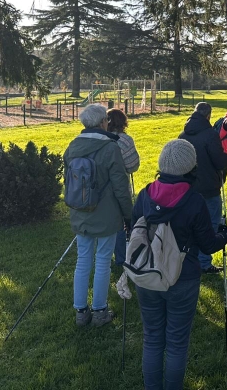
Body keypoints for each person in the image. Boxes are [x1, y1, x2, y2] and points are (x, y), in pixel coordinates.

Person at [132, 139, 227, 389]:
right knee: (176, 342)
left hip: (148, 274)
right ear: (190, 165)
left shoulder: (145, 194)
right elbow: (208, 245)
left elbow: (132, 229)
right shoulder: (194, 200)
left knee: (152, 338)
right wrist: (223, 236)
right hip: (182, 278)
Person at [63, 104, 134, 327]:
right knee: (103, 261)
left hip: (80, 212)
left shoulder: (73, 146)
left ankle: (80, 311)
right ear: (103, 122)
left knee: (83, 261)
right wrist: (128, 215)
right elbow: (121, 187)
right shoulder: (110, 148)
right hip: (107, 214)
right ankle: (100, 310)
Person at [178, 102, 227, 274]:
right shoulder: (210, 135)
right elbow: (220, 162)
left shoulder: (182, 134)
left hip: (187, 187)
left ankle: (189, 258)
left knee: (190, 224)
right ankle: (204, 262)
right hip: (208, 186)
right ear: (208, 116)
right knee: (211, 224)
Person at [106, 108, 140, 268]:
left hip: (101, 185)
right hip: (120, 184)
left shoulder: (100, 139)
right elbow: (133, 166)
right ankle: (121, 258)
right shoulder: (126, 140)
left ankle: (105, 256)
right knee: (120, 222)